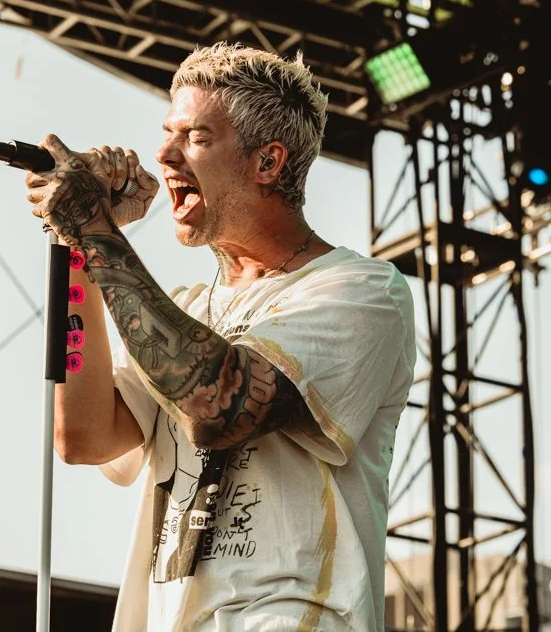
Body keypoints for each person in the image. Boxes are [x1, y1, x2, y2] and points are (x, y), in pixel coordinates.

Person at [23, 42, 416, 631]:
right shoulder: (184, 310)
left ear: (268, 162)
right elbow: (84, 435)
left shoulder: (359, 290)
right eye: (167, 134)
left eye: (196, 137)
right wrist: (78, 245)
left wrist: (98, 231)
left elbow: (218, 404)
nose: (164, 154)